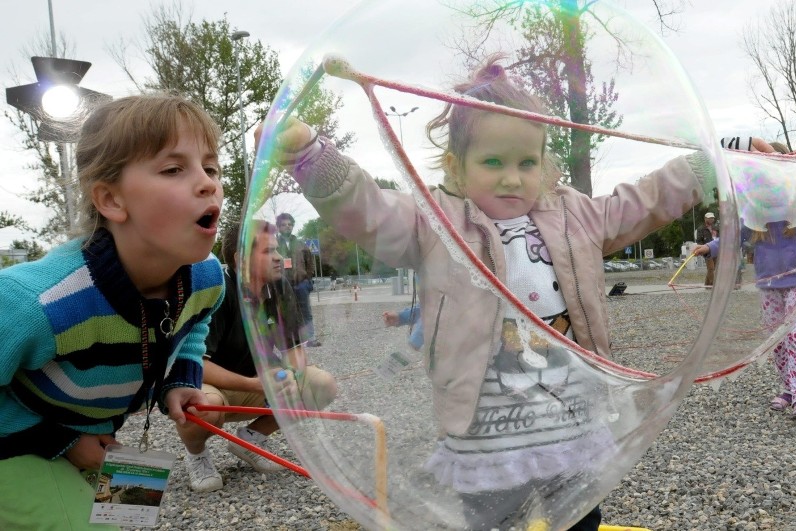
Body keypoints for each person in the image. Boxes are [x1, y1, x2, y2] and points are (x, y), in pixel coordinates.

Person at [260, 56, 720, 530]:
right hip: (486, 441)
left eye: (526, 162)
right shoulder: (435, 224)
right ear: (458, 168)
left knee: (580, 522)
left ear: (544, 164)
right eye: (493, 161)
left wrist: (713, 165)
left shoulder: (575, 215)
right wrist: (308, 155)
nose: (511, 177)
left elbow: (643, 199)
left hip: (572, 426)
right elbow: (369, 210)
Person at [0, 94, 227, 529]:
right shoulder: (36, 304)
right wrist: (61, 441)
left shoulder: (206, 279)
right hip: (15, 442)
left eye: (211, 167)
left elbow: (194, 324)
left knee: (126, 521)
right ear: (111, 200)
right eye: (174, 169)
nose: (207, 183)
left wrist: (181, 378)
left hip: (96, 438)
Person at [176, 221, 337, 492]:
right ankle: (197, 455)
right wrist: (256, 384)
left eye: (278, 250)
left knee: (322, 384)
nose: (278, 258)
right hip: (214, 386)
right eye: (269, 251)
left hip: (258, 383)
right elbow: (196, 366)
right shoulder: (217, 290)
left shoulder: (280, 288)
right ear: (241, 259)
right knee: (200, 405)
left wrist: (291, 376)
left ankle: (250, 439)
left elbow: (293, 349)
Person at [695, 138, 796, 419]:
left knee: (793, 335)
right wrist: (710, 247)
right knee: (775, 339)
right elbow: (734, 235)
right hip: (769, 283)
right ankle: (786, 388)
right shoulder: (757, 209)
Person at [275, 212, 321, 346]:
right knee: (286, 313)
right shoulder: (275, 245)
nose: (287, 227)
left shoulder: (301, 244)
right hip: (283, 285)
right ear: (278, 227)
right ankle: (292, 341)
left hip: (301, 284)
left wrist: (308, 280)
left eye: (290, 224)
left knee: (306, 311)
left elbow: (310, 262)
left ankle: (310, 339)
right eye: (283, 225)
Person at [695, 211, 718, 287]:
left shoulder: (716, 228)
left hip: (716, 249)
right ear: (705, 219)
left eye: (712, 218)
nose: (711, 219)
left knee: (713, 268)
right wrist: (703, 249)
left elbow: (720, 238)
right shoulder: (701, 229)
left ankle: (707, 284)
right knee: (711, 268)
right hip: (707, 250)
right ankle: (712, 285)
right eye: (709, 218)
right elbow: (698, 241)